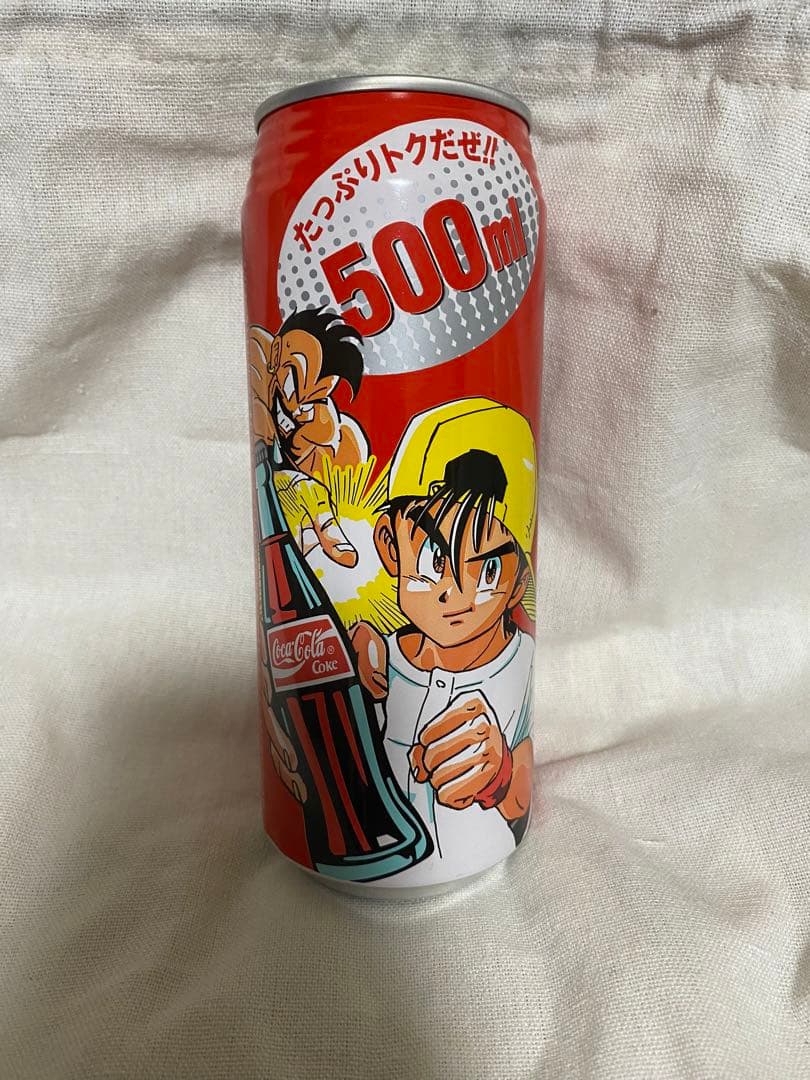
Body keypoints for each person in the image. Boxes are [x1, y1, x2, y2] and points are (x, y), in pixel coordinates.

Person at [272, 398, 538, 884]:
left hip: (481, 858)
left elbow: (521, 780)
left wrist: (498, 778)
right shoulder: (380, 659)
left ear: (519, 582)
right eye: (434, 559)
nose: (454, 594)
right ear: (390, 547)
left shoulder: (520, 662)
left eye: (487, 571)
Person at [249, 307, 369, 568]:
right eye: (294, 380)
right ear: (277, 353)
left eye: (318, 395)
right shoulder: (261, 370)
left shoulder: (324, 424)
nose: (302, 405)